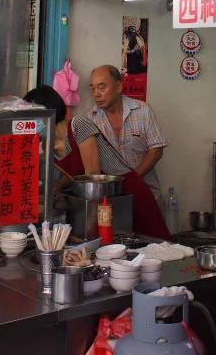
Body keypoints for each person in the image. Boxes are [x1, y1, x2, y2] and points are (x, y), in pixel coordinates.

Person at [24, 83, 172, 240]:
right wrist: (57, 186)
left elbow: (92, 175)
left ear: (49, 108)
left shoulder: (78, 125)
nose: (32, 120)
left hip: (125, 193)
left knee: (153, 245)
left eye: (34, 113)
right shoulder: (48, 145)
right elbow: (74, 173)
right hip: (99, 200)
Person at [88, 65, 166, 205]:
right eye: (93, 89)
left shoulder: (142, 111)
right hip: (110, 200)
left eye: (101, 87)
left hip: (147, 194)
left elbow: (157, 149)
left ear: (118, 86)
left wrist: (132, 179)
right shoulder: (90, 119)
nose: (96, 94)